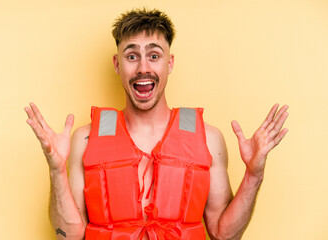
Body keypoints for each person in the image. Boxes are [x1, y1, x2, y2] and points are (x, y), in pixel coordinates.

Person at [24, 8, 289, 240]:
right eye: (131, 56)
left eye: (154, 56)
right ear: (117, 65)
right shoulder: (85, 140)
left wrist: (254, 175)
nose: (142, 68)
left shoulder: (208, 139)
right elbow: (66, 237)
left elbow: (225, 235)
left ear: (169, 63)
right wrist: (56, 172)